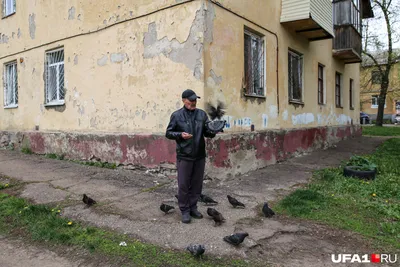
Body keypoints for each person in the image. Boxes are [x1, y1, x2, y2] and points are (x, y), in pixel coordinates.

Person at [165, 89, 216, 223]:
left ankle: (193, 207)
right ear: (183, 100)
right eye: (191, 100)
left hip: (199, 155)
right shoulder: (176, 116)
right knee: (183, 185)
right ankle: (185, 210)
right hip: (184, 155)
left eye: (195, 100)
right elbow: (169, 133)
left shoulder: (201, 115)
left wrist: (214, 130)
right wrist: (180, 135)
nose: (193, 102)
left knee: (196, 184)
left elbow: (207, 132)